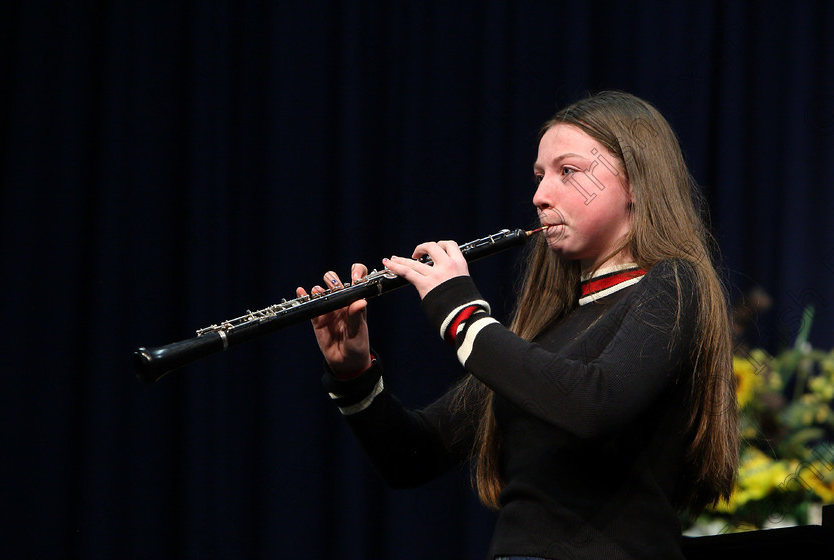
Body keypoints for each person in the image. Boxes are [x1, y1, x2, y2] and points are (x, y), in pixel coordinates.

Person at [296, 91, 738, 559]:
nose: (540, 195)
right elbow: (412, 458)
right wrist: (354, 372)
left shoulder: (673, 283)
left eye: (568, 171)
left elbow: (595, 403)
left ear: (637, 180)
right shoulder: (545, 330)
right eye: (540, 176)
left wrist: (459, 312)